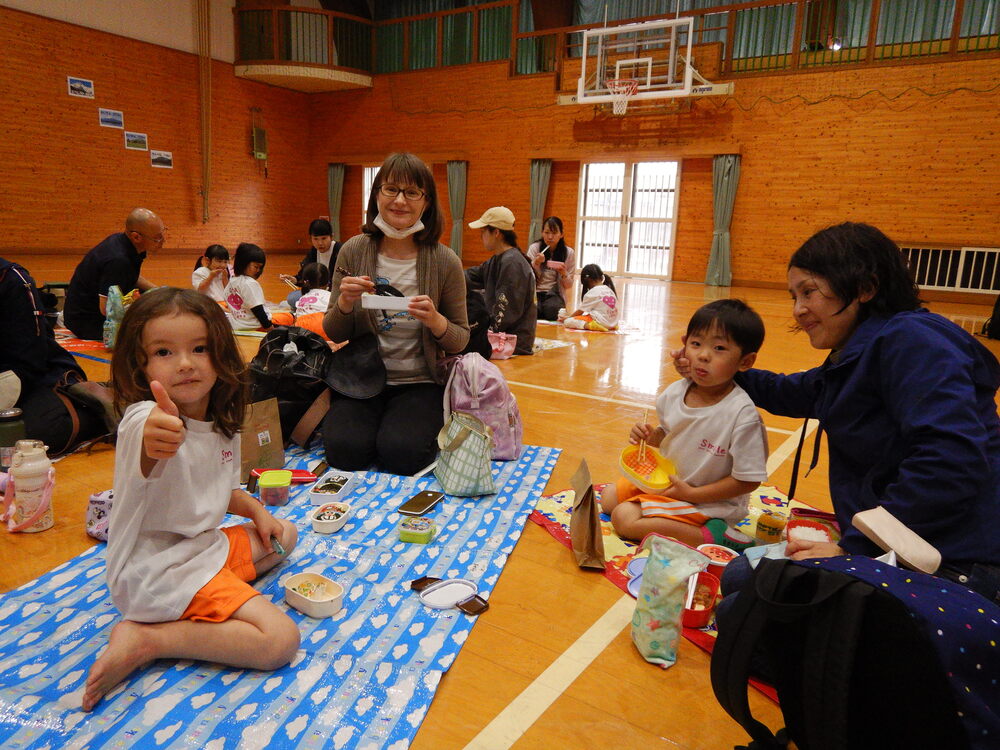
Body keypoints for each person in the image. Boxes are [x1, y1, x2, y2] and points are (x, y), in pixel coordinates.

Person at [679, 223, 1000, 603]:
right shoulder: (857, 354)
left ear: (864, 288)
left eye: (809, 292)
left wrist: (857, 551)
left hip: (954, 558)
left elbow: (951, 458)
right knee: (741, 578)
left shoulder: (912, 340)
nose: (798, 310)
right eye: (794, 296)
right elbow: (790, 391)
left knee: (744, 599)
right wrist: (718, 368)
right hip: (913, 540)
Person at [83, 287, 299, 712]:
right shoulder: (147, 419)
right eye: (164, 352)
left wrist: (256, 510)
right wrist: (155, 435)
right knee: (280, 641)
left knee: (284, 534)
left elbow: (221, 489)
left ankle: (204, 604)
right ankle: (150, 638)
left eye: (199, 348)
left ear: (220, 353)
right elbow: (146, 441)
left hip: (201, 550)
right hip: (155, 571)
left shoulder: (220, 422)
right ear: (139, 364)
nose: (185, 363)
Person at [322, 152, 469, 475]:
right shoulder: (353, 250)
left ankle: (399, 427)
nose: (400, 200)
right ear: (376, 195)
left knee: (402, 455)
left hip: (420, 381)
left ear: (426, 203)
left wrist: (435, 320)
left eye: (412, 192)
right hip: (361, 377)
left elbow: (460, 339)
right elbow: (334, 332)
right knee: (344, 452)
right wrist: (345, 303)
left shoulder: (445, 261)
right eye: (391, 189)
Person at [601, 299, 768, 549]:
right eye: (696, 343)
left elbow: (748, 480)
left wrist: (692, 495)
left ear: (745, 361)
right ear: (684, 345)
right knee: (608, 498)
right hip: (670, 483)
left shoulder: (742, 415)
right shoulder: (674, 393)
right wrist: (650, 437)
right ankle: (676, 515)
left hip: (708, 501)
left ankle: (716, 534)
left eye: (719, 348)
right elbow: (671, 435)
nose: (703, 355)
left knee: (624, 517)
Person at [0, 257, 110, 453]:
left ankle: (103, 403)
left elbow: (30, 360)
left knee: (35, 434)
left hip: (38, 375)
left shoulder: (12, 280)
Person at [64, 208, 163, 341]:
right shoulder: (118, 259)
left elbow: (131, 276)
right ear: (136, 237)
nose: (163, 241)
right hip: (88, 322)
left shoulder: (123, 242)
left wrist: (161, 291)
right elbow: (106, 309)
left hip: (89, 314)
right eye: (157, 238)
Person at [464, 206, 537, 355]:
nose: (481, 236)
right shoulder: (499, 259)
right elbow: (471, 276)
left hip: (511, 341)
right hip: (503, 335)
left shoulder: (512, 263)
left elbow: (505, 312)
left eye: (483, 231)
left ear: (496, 232)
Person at [280, 219, 341, 307]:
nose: (320, 243)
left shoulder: (340, 251)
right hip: (317, 293)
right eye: (315, 239)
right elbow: (304, 276)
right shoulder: (313, 252)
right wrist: (294, 279)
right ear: (311, 238)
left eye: (324, 238)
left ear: (331, 237)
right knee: (292, 298)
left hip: (334, 294)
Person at [526, 216, 576, 321]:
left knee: (553, 311)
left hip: (555, 293)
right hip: (536, 292)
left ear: (561, 234)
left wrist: (564, 273)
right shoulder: (534, 248)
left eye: (554, 233)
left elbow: (569, 285)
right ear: (542, 233)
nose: (550, 237)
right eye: (547, 232)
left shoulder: (568, 253)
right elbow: (527, 277)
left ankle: (546, 308)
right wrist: (536, 263)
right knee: (533, 312)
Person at [270, 262, 331, 337]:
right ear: (328, 282)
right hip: (321, 332)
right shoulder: (330, 296)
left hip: (300, 332)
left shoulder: (302, 298)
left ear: (305, 281)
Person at [223, 243, 272, 330]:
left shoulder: (232, 281)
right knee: (288, 317)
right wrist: (269, 328)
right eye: (256, 266)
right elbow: (258, 310)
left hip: (237, 325)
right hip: (255, 326)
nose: (258, 270)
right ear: (243, 263)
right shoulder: (249, 283)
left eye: (260, 268)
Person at [562, 263, 619, 331]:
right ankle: (611, 326)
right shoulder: (609, 290)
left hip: (602, 323)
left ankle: (591, 325)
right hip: (613, 323)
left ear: (587, 280)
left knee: (568, 322)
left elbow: (580, 311)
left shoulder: (592, 293)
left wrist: (568, 318)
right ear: (601, 277)